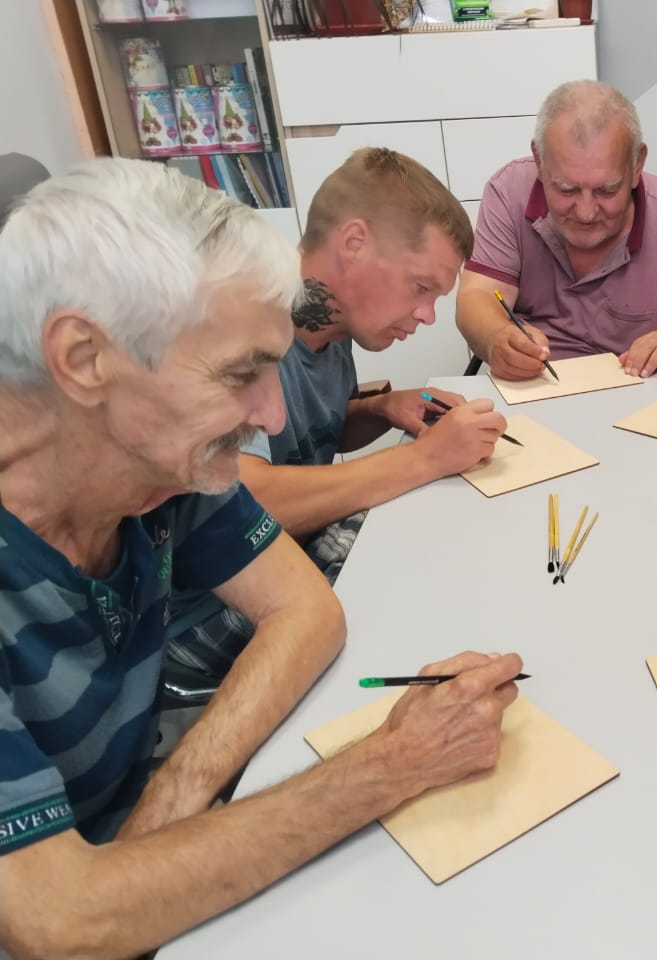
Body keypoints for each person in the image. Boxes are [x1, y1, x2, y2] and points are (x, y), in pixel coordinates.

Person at [0, 159, 523, 958]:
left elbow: (307, 609)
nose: (273, 415)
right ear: (81, 356)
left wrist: (169, 807)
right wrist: (390, 764)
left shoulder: (158, 456)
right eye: (241, 373)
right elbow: (61, 922)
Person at [165, 147, 509, 682]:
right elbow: (241, 501)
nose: (427, 315)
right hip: (208, 608)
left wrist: (379, 409)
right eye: (421, 288)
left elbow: (310, 436)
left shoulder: (333, 328)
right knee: (412, 550)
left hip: (280, 560)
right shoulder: (240, 325)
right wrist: (426, 459)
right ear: (353, 243)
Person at [456, 79, 657, 381]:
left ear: (637, 165)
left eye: (607, 190)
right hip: (536, 388)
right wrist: (497, 337)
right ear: (539, 161)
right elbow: (478, 296)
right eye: (565, 189)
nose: (586, 213)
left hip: (645, 394)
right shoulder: (509, 192)